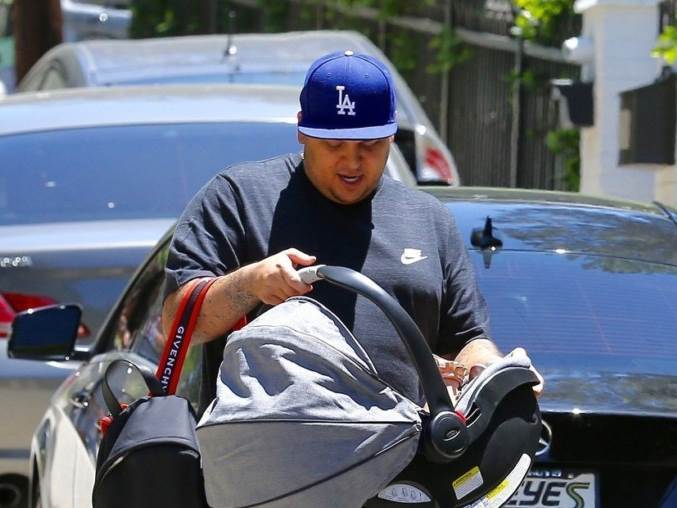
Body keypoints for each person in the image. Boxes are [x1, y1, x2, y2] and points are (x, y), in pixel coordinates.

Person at [161, 50, 542, 412]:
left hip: (402, 451)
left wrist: (492, 373)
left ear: (391, 135)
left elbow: (466, 340)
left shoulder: (428, 217)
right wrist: (249, 284)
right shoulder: (238, 198)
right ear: (302, 130)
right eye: (334, 144)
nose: (352, 161)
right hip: (267, 452)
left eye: (369, 144)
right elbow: (177, 326)